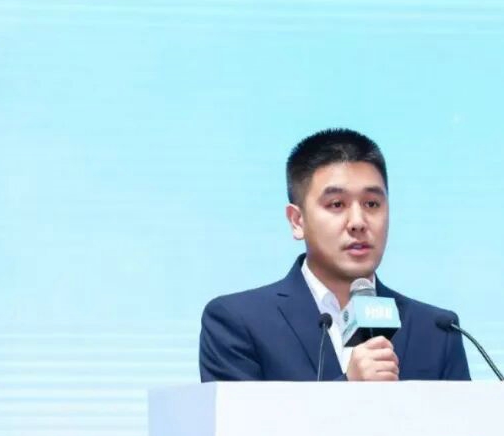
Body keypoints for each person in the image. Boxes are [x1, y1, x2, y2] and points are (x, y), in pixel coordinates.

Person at [199, 128, 470, 382]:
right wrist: (349, 386)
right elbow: (242, 419)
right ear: (297, 221)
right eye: (337, 204)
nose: (358, 222)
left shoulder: (438, 331)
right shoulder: (238, 322)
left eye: (372, 204)